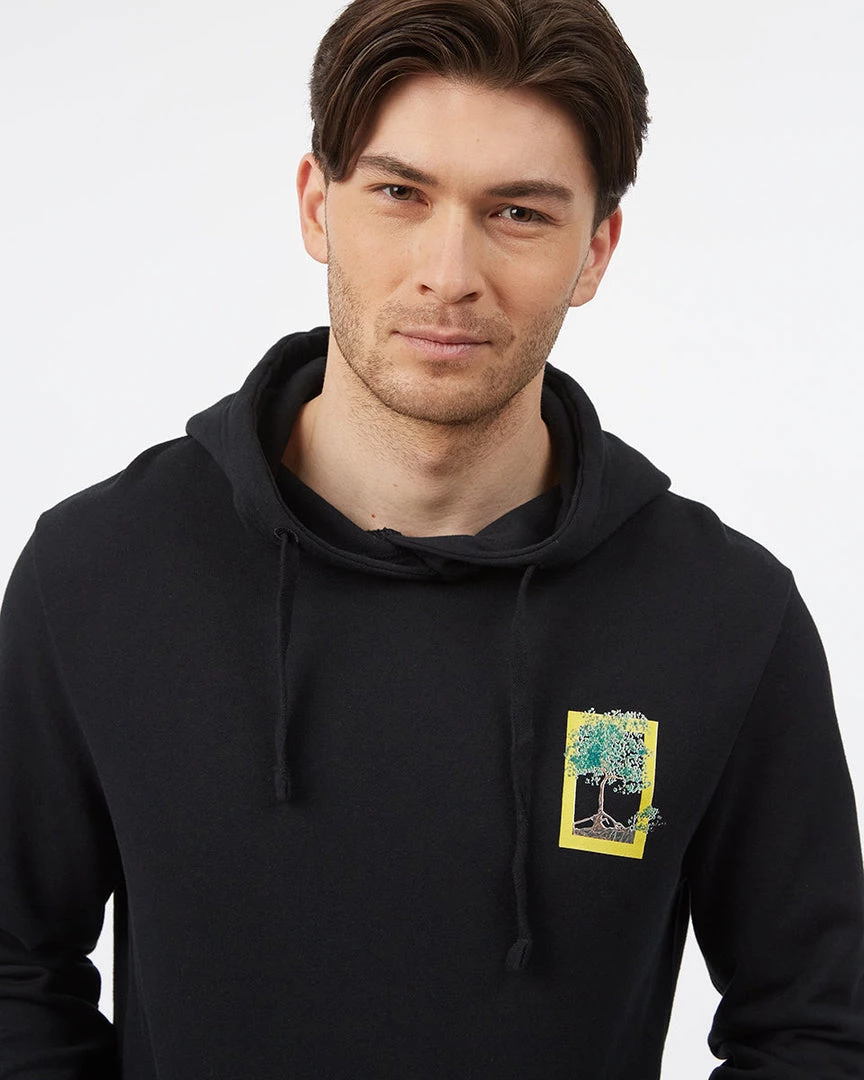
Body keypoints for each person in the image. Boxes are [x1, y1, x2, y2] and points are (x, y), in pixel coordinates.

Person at [1, 0, 862, 1076]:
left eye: (519, 213)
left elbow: (818, 1026)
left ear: (595, 251)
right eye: (401, 193)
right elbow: (14, 976)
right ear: (317, 205)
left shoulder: (722, 617)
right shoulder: (100, 573)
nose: (449, 273)